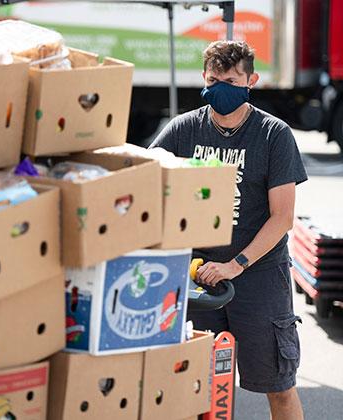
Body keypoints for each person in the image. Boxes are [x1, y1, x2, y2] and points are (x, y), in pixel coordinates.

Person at [150, 41, 307, 420]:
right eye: (213, 80)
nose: (221, 87)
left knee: (279, 389)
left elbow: (282, 218)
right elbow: (148, 183)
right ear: (203, 80)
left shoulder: (274, 135)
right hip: (196, 276)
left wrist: (235, 264)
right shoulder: (182, 131)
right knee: (193, 391)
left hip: (258, 276)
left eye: (231, 80)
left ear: (251, 81)